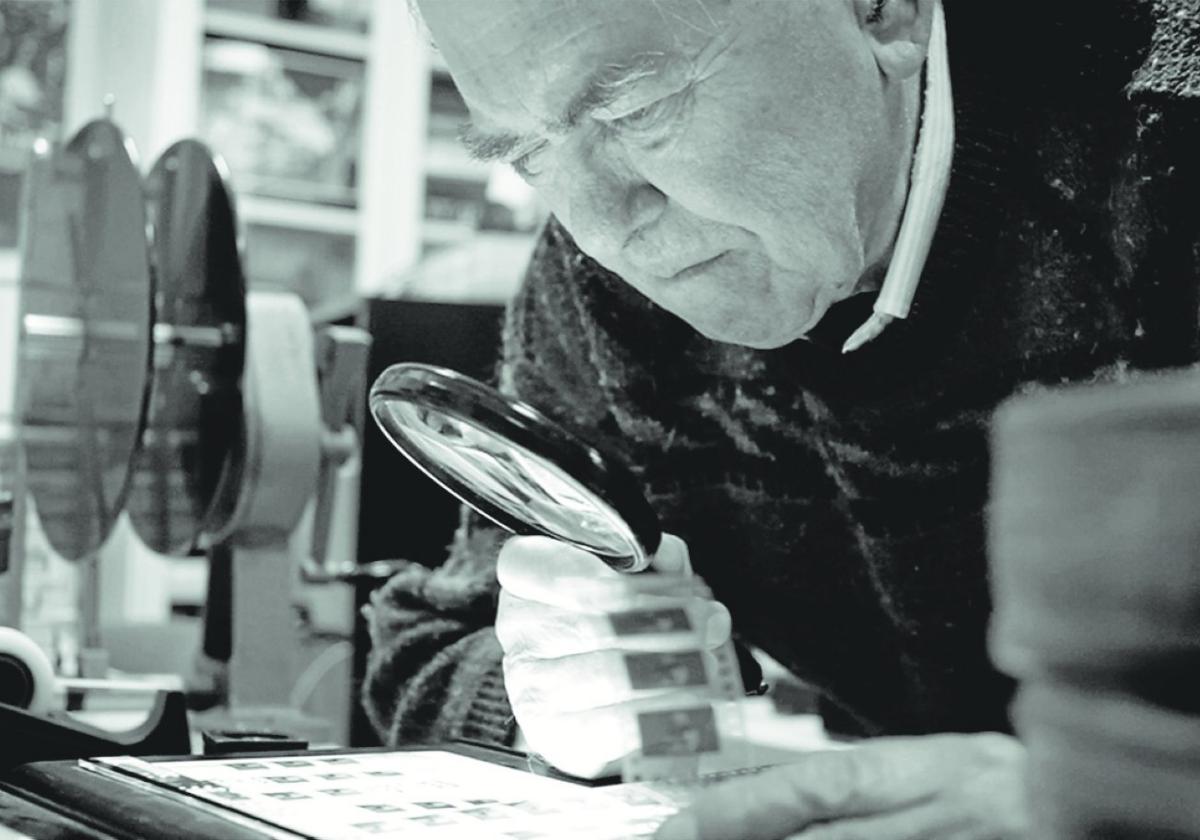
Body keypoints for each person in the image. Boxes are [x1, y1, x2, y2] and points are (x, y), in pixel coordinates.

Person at [362, 1, 1200, 837]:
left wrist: (1108, 803)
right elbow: (433, 643)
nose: (600, 227)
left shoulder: (1164, 153)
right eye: (528, 153)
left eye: (635, 109)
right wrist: (594, 700)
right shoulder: (601, 298)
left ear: (883, 16)